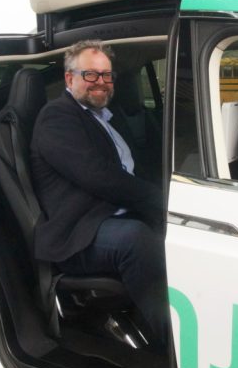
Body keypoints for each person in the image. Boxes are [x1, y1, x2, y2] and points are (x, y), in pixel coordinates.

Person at [30, 40, 167, 349]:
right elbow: (99, 177)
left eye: (107, 76)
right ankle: (172, 345)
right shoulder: (57, 118)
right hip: (79, 232)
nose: (101, 83)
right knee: (136, 239)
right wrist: (158, 201)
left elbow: (129, 171)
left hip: (111, 216)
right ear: (69, 79)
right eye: (90, 75)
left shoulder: (104, 118)